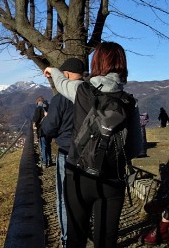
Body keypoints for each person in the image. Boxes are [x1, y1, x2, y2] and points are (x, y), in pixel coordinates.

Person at [44, 42, 142, 248]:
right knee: (106, 241)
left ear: (96, 62)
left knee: (76, 236)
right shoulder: (129, 102)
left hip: (78, 175)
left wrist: (52, 70)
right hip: (112, 180)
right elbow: (134, 148)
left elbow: (62, 83)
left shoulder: (82, 91)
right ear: (122, 65)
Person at [39, 58, 84, 247]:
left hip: (67, 153)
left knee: (65, 199)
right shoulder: (91, 94)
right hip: (91, 155)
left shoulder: (60, 99)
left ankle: (68, 239)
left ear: (65, 75)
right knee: (85, 198)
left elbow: (49, 128)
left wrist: (43, 126)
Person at [34, 97, 50, 166]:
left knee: (43, 146)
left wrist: (35, 124)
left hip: (42, 130)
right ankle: (49, 161)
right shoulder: (48, 107)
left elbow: (36, 119)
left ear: (38, 102)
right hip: (49, 130)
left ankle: (44, 162)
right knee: (48, 145)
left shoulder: (39, 108)